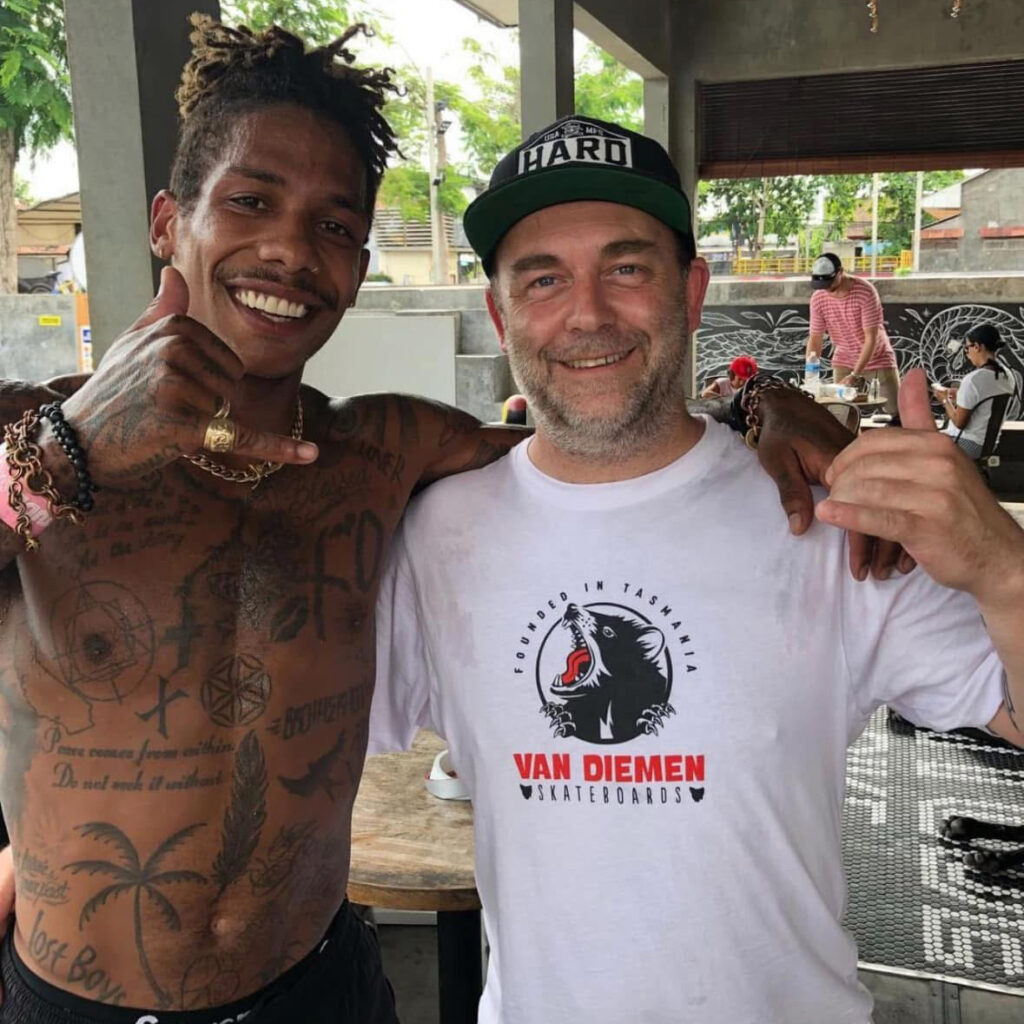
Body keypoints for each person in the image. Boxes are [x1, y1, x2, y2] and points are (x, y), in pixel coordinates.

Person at [0, 18, 881, 1024]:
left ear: (361, 264)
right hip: (71, 1003)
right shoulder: (25, 426)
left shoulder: (379, 454)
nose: (291, 250)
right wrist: (62, 454)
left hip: (321, 990)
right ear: (167, 222)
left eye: (335, 226)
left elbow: (601, 437)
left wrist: (757, 404)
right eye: (250, 202)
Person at [369, 115, 1024, 1024]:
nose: (587, 312)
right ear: (500, 313)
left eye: (627, 268)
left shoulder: (829, 517)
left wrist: (1004, 568)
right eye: (544, 278)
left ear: (690, 291)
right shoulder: (438, 534)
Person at [805, 252, 901, 413]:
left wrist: (855, 374)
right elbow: (815, 337)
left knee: (895, 411)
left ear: (841, 272)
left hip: (877, 357)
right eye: (822, 286)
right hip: (844, 357)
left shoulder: (865, 292)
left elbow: (871, 338)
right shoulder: (818, 298)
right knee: (840, 412)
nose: (827, 289)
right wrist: (810, 372)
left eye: (830, 284)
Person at [935, 323, 1017, 459]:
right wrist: (960, 396)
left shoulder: (974, 379)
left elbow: (959, 422)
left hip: (967, 444)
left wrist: (944, 399)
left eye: (967, 348)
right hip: (988, 445)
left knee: (922, 444)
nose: (967, 354)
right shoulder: (1007, 376)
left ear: (977, 347)